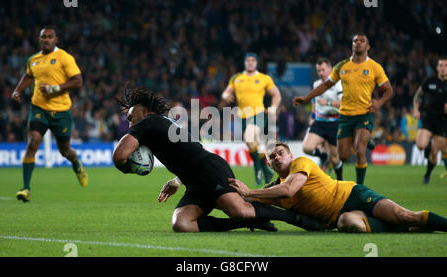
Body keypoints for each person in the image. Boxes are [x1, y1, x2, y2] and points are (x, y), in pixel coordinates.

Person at [112, 85, 323, 233]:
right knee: (182, 223)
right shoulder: (160, 124)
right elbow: (186, 150)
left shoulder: (148, 123)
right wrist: (178, 179)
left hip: (208, 170)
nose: (130, 121)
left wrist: (130, 167)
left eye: (131, 116)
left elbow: (119, 156)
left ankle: (296, 218)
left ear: (144, 111)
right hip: (194, 179)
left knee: (241, 210)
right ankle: (249, 223)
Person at [229, 142, 447, 233]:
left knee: (404, 215)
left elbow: (289, 190)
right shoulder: (273, 190)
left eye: (280, 153)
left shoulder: (301, 163)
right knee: (350, 224)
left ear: (290, 156)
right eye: (272, 157)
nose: (277, 158)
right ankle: (404, 228)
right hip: (338, 217)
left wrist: (249, 191)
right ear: (268, 163)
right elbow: (249, 203)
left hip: (352, 195)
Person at [293, 33, 393, 185]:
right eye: (355, 41)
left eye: (362, 41)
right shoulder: (342, 66)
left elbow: (388, 90)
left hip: (364, 114)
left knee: (360, 150)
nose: (358, 43)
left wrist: (379, 103)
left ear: (368, 46)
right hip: (345, 117)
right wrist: (306, 98)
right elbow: (326, 85)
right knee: (343, 156)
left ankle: (360, 187)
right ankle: (361, 138)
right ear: (351, 45)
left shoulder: (374, 67)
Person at [11, 26, 88, 202]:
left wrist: (54, 88)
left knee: (65, 151)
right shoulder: (34, 60)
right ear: (40, 39)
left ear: (56, 39)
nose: (46, 39)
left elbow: (78, 82)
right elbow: (29, 76)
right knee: (33, 143)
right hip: (39, 108)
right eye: (43, 37)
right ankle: (26, 189)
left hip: (61, 111)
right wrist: (17, 90)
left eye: (49, 37)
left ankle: (76, 164)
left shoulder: (64, 57)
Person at [221, 52, 282, 186]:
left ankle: (257, 168)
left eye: (252, 60)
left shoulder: (264, 78)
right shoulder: (237, 78)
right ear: (244, 62)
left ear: (256, 63)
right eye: (248, 60)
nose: (250, 62)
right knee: (251, 143)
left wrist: (273, 107)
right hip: (243, 116)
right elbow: (226, 92)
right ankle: (266, 170)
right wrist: (225, 96)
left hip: (259, 113)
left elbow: (276, 95)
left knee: (249, 137)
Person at [302, 57, 343, 180]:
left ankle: (340, 180)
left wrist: (328, 103)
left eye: (323, 70)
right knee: (307, 148)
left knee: (335, 159)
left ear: (330, 69)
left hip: (334, 122)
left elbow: (343, 103)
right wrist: (313, 116)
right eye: (319, 71)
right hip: (320, 121)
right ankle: (323, 156)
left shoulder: (338, 83)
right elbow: (314, 101)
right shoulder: (316, 84)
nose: (321, 73)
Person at [413, 57, 447, 184]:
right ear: (437, 68)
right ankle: (427, 148)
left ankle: (427, 174)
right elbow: (418, 96)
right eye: (441, 65)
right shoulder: (430, 81)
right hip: (428, 117)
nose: (443, 68)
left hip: (443, 121)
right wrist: (416, 109)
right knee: (421, 145)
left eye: (445, 65)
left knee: (434, 153)